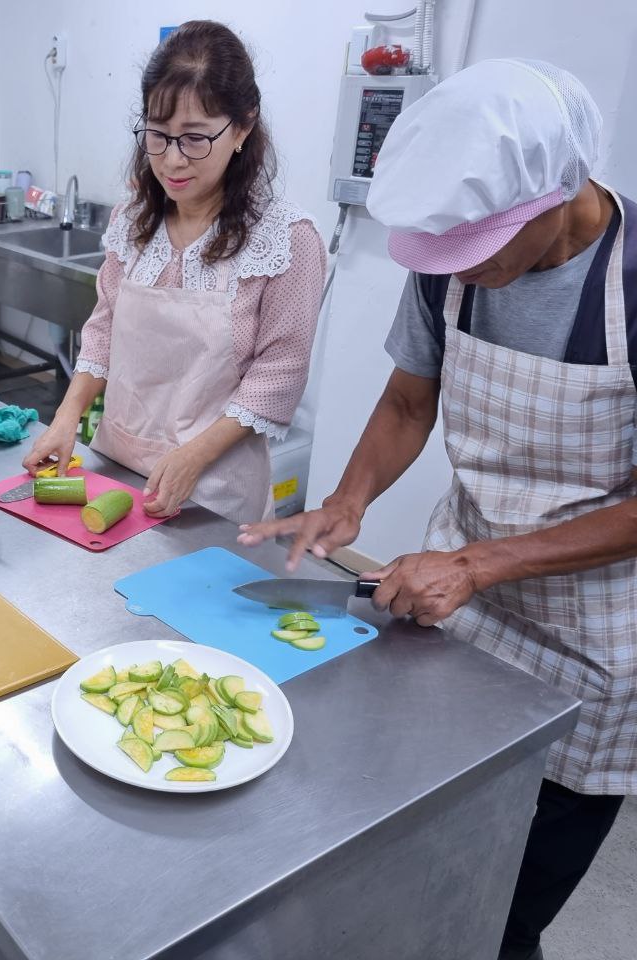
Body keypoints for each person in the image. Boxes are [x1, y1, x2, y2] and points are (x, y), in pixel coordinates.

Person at [239, 60, 635, 960]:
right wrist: (346, 501)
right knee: (428, 851)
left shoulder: (633, 287)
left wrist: (476, 565)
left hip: (602, 641)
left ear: (558, 192)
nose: (473, 271)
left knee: (506, 910)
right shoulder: (452, 271)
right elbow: (409, 403)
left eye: (486, 245)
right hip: (457, 613)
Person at [23, 20, 326, 523]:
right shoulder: (133, 219)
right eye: (158, 136)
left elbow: (278, 376)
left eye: (195, 139)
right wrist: (65, 416)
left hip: (211, 488)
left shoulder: (286, 238)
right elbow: (103, 328)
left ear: (243, 129)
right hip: (115, 465)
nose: (171, 161)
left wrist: (194, 457)